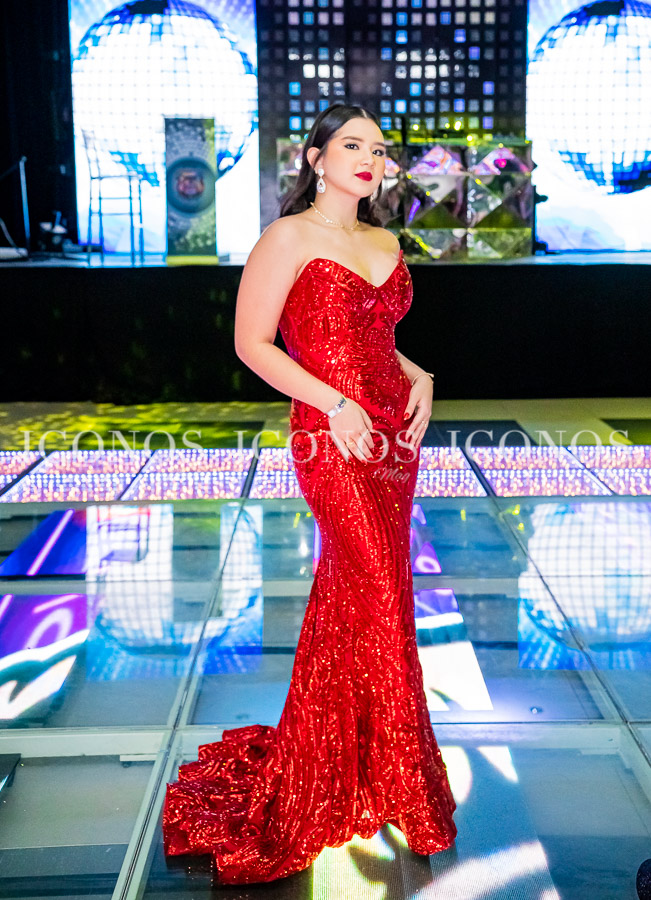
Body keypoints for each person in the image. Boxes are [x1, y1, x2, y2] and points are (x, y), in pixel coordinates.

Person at [162, 102, 458, 885]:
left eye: (379, 149)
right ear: (316, 158)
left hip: (391, 433)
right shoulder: (287, 238)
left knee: (363, 594)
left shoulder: (385, 242)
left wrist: (418, 374)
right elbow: (251, 344)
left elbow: (375, 341)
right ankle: (403, 784)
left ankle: (342, 760)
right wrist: (334, 404)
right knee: (378, 592)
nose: (370, 158)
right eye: (352, 145)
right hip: (332, 435)